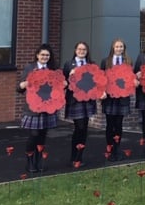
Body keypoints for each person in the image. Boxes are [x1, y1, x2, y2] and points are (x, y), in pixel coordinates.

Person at [16, 43, 62, 172]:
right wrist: (24, 84)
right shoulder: (30, 68)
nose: (45, 57)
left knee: (42, 136)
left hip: (48, 107)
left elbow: (58, 88)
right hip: (33, 109)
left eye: (47, 55)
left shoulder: (53, 69)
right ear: (37, 55)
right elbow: (18, 88)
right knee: (33, 135)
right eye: (42, 55)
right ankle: (30, 162)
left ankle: (38, 161)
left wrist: (63, 84)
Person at [62, 41, 96, 167]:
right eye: (79, 49)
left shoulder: (91, 64)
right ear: (75, 50)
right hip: (75, 101)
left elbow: (96, 81)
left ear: (87, 52)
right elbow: (63, 83)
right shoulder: (68, 64)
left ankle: (79, 157)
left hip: (87, 100)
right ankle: (73, 156)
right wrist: (69, 76)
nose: (81, 51)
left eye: (84, 50)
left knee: (84, 129)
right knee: (79, 128)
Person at [100, 38, 133, 161]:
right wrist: (101, 91)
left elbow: (130, 78)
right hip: (109, 98)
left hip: (123, 98)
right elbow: (100, 79)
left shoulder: (128, 61)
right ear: (113, 48)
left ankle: (117, 149)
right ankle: (110, 149)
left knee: (119, 125)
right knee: (110, 125)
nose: (119, 49)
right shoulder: (106, 61)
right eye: (117, 46)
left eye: (121, 47)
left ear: (124, 48)